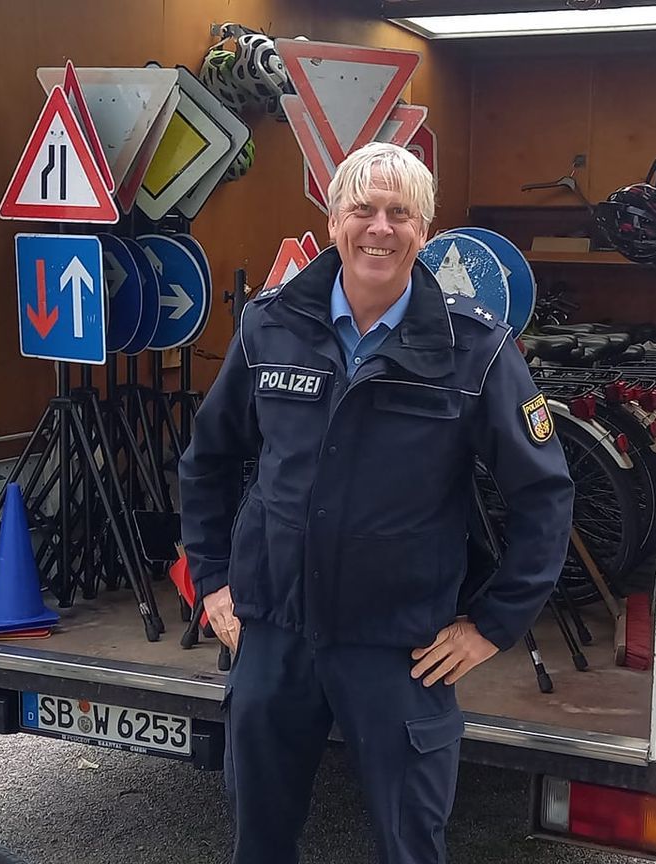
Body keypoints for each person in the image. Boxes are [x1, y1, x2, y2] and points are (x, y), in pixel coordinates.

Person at [177, 142, 575, 864]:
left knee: (409, 844)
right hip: (273, 633)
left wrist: (493, 625)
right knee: (258, 841)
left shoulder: (474, 349)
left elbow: (543, 494)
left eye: (401, 213)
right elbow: (209, 460)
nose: (380, 228)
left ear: (425, 231)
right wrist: (213, 582)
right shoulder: (271, 325)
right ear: (334, 221)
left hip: (400, 648)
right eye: (363, 209)